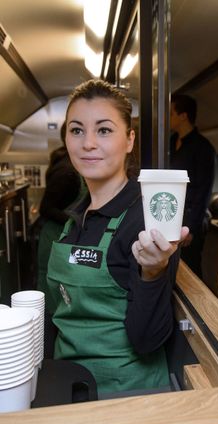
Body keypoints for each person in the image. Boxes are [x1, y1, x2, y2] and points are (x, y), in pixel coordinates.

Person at [46, 79, 189, 395]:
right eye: (77, 130)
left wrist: (152, 273)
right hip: (69, 385)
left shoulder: (144, 220)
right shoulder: (76, 217)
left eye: (104, 130)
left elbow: (148, 340)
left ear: (129, 140)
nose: (88, 143)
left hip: (123, 395)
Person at [36, 124, 83, 358]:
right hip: (54, 237)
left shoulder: (79, 168)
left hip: (65, 237)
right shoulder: (66, 172)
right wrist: (79, 220)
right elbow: (46, 208)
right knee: (50, 300)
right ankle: (46, 357)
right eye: (77, 132)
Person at [169, 94, 215, 277]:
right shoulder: (171, 142)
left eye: (171, 113)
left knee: (191, 269)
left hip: (191, 218)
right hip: (172, 213)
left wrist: (191, 228)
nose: (168, 118)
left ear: (183, 116)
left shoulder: (203, 148)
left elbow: (204, 191)